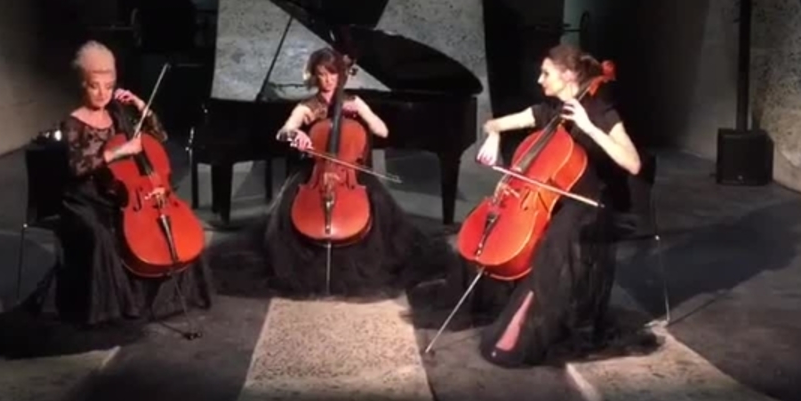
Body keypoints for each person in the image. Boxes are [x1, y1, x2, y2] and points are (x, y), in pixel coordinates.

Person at [0, 41, 211, 358]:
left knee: (167, 232)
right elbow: (77, 167)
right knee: (101, 235)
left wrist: (140, 106)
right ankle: (107, 309)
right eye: (95, 86)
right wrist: (117, 152)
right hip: (83, 199)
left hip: (116, 194)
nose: (103, 93)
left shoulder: (118, 113)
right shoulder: (73, 121)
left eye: (109, 86)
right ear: (83, 84)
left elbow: (159, 137)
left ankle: (161, 300)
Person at [468, 43, 643, 368]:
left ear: (568, 75)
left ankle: (526, 324)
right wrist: (492, 134)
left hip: (590, 205)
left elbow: (633, 163)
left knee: (553, 243)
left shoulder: (601, 111)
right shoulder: (551, 113)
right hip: (556, 202)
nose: (539, 79)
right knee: (508, 237)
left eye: (546, 73)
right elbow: (497, 124)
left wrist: (589, 128)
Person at [258, 47, 441, 298]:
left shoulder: (353, 101)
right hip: (315, 172)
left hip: (349, 174)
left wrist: (364, 116)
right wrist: (295, 134)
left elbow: (383, 131)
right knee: (287, 211)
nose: (327, 80)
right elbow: (283, 131)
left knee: (377, 207)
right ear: (314, 76)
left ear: (341, 75)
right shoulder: (307, 107)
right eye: (321, 74)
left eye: (332, 73)